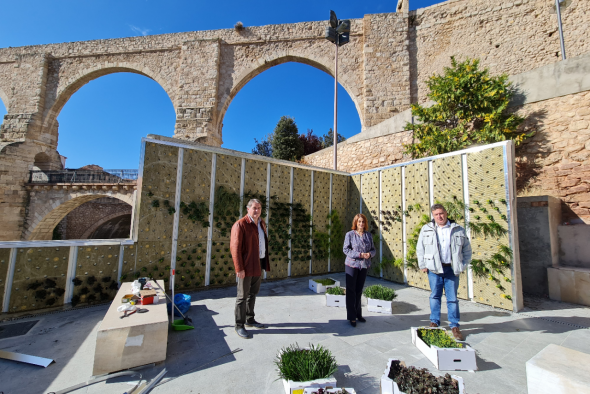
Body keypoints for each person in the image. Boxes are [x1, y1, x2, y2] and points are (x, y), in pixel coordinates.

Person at [417, 204, 472, 341]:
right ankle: (434, 322)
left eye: (441, 213)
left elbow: (467, 250)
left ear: (446, 213)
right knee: (435, 296)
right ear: (433, 216)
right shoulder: (426, 229)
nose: (439, 217)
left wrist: (462, 266)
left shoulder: (458, 229)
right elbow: (420, 248)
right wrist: (423, 264)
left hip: (451, 270)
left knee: (452, 299)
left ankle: (454, 326)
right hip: (434, 269)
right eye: (436, 215)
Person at [230, 198, 270, 339]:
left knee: (253, 293)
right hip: (246, 266)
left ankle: (250, 319)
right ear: (248, 209)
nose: (257, 210)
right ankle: (239, 325)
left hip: (258, 264)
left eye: (259, 208)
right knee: (242, 296)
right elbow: (235, 249)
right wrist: (239, 268)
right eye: (254, 208)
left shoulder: (261, 223)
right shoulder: (240, 225)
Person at [343, 213, 376, 327]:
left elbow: (373, 250)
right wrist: (360, 254)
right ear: (355, 223)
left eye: (363, 222)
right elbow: (346, 250)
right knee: (351, 291)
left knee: (359, 290)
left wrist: (369, 254)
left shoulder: (368, 235)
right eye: (359, 222)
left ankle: (358, 314)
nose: (361, 224)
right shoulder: (350, 234)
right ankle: (351, 317)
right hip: (351, 265)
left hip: (364, 266)